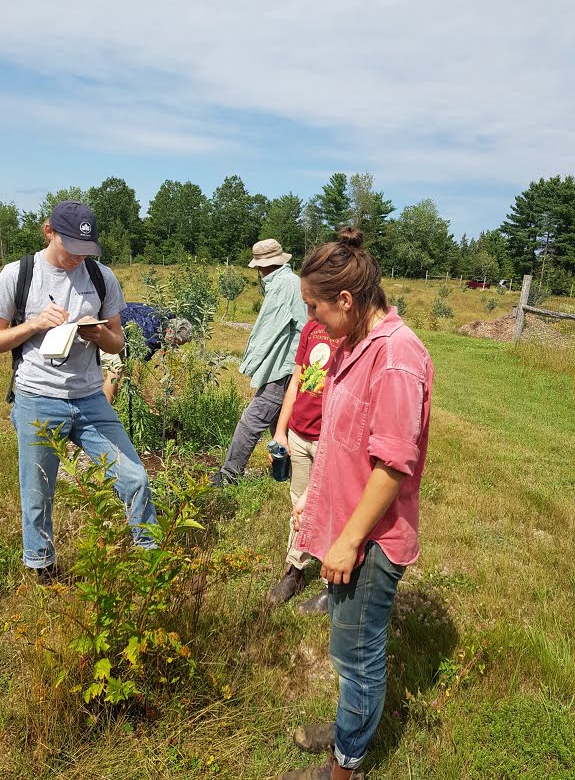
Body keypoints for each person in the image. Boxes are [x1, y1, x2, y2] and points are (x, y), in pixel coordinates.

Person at [280, 227, 433, 780]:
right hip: (346, 531)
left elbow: (392, 467)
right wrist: (315, 505)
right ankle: (350, 727)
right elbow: (343, 442)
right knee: (348, 653)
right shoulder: (352, 346)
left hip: (368, 543)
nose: (312, 320)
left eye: (315, 306)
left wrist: (346, 541)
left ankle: (345, 767)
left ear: (347, 300)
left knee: (359, 658)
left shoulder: (395, 359)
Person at [0, 200, 157, 583]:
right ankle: (41, 565)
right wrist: (34, 325)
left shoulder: (102, 276)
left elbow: (116, 342)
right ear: (49, 232)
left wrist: (100, 334)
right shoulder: (18, 274)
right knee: (38, 491)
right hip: (37, 398)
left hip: (91, 398)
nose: (78, 257)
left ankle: (150, 558)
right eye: (71, 247)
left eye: (86, 250)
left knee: (134, 476)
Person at [210, 238, 307, 486]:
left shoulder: (284, 285)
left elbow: (270, 330)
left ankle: (229, 474)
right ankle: (290, 472)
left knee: (252, 420)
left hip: (283, 365)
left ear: (262, 266)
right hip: (289, 364)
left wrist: (252, 361)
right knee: (280, 423)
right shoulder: (288, 282)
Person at [266, 319, 341, 614]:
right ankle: (295, 571)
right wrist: (281, 432)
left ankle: (331, 586)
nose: (310, 309)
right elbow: (296, 381)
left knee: (331, 509)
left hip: (329, 440)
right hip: (298, 435)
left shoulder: (349, 333)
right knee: (299, 504)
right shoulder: (311, 329)